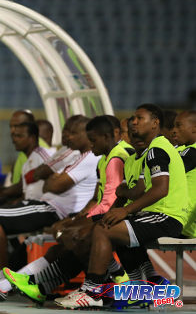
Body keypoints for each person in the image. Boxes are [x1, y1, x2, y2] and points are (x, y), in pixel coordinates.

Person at [57, 104, 189, 309]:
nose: (134, 122)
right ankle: (144, 285)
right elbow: (137, 190)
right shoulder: (147, 153)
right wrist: (121, 206)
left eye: (139, 118)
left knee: (105, 229)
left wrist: (125, 209)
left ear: (155, 123)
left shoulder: (157, 149)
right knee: (107, 225)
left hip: (166, 215)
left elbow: (160, 189)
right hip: (156, 213)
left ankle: (92, 290)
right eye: (133, 119)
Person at [0, 116, 99, 284]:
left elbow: (53, 185)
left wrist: (53, 180)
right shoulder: (68, 153)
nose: (67, 136)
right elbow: (40, 180)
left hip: (55, 209)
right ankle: (3, 280)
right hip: (51, 207)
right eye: (66, 131)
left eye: (73, 132)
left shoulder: (83, 157)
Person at [173, 110, 196, 238]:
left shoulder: (192, 153)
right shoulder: (185, 150)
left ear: (194, 128)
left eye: (179, 125)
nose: (174, 130)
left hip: (182, 219)